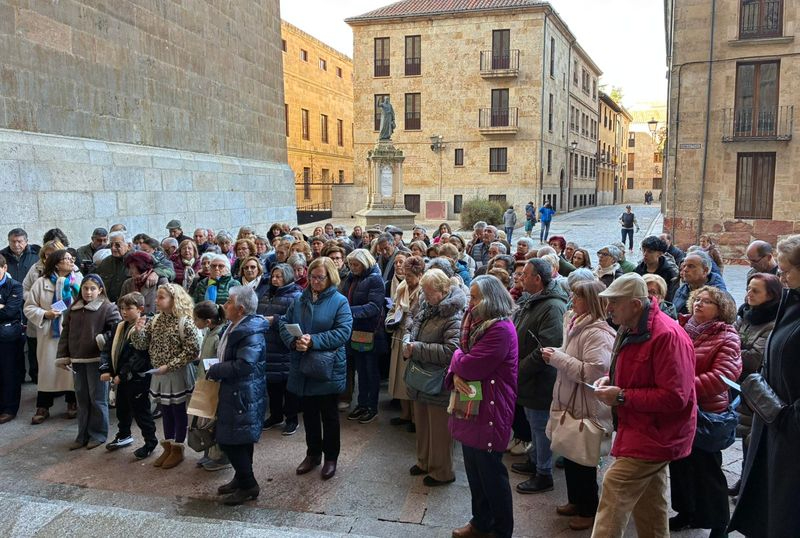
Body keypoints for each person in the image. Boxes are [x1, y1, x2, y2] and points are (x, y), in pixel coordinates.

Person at [590, 273, 696, 537]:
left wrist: (622, 396)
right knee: (650, 504)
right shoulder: (631, 325)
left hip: (656, 432)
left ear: (636, 304)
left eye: (614, 302)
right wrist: (611, 380)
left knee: (615, 484)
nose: (608, 308)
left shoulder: (666, 335)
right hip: (643, 427)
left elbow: (675, 397)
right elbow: (641, 374)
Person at [730, 235, 800, 537]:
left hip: (789, 435)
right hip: (772, 425)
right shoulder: (791, 301)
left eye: (785, 270)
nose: (780, 277)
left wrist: (786, 418)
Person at [447, 275, 518, 538]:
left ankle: (500, 530)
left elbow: (469, 364)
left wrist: (457, 361)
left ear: (490, 299)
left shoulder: (500, 329)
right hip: (472, 405)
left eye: (475, 297)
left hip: (491, 409)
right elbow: (462, 359)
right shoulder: (476, 323)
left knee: (491, 475)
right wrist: (456, 370)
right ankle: (480, 522)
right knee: (475, 473)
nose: (470, 303)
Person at [541, 281, 615, 531]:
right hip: (570, 399)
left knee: (583, 459)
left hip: (586, 403)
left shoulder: (598, 333)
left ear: (592, 301)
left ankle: (588, 509)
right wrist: (557, 353)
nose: (573, 300)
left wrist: (557, 358)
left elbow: (593, 372)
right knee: (571, 454)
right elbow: (571, 354)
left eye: (579, 297)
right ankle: (575, 500)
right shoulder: (575, 322)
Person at [670, 287, 741, 537]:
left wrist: (682, 388)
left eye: (708, 301)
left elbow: (724, 375)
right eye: (697, 299)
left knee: (707, 471)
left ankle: (719, 524)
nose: (699, 304)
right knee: (680, 465)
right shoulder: (681, 327)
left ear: (721, 309)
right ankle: (686, 512)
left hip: (706, 411)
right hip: (679, 407)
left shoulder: (727, 336)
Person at [280, 257, 353, 480]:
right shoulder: (300, 299)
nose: (315, 281)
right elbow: (284, 323)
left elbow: (343, 332)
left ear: (330, 277)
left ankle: (331, 457)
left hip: (327, 367)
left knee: (329, 415)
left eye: (320, 277)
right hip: (303, 365)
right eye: (312, 277)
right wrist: (294, 341)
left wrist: (314, 341)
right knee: (309, 414)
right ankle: (313, 454)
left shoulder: (339, 301)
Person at [205, 287, 268, 506]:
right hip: (235, 391)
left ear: (240, 309)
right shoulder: (235, 325)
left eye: (229, 302)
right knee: (239, 439)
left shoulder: (249, 331)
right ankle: (241, 478)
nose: (224, 305)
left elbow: (245, 365)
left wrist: (216, 370)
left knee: (231, 441)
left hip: (242, 393)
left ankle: (249, 485)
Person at [404, 268, 465, 487]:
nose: (425, 297)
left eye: (429, 293)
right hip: (422, 376)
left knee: (439, 429)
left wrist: (417, 348)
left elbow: (452, 351)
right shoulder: (427, 306)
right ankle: (424, 461)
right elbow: (412, 325)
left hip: (439, 380)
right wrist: (407, 339)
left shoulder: (453, 314)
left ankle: (442, 471)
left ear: (444, 290)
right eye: (424, 292)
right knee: (422, 424)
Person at [512, 258, 568, 494]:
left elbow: (548, 345)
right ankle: (535, 460)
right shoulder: (534, 299)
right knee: (533, 422)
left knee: (540, 425)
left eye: (525, 275)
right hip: (528, 376)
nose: (520, 278)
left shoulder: (552, 306)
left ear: (537, 279)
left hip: (540, 377)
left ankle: (543, 473)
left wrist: (520, 368)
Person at [131, 284, 201, 470]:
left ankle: (178, 447)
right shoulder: (156, 320)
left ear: (174, 300)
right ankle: (168, 445)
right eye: (157, 297)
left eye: (161, 297)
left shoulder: (185, 321)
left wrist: (169, 366)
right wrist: (138, 331)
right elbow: (142, 345)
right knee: (166, 409)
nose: (156, 300)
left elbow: (192, 351)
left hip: (176, 373)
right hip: (159, 373)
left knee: (178, 410)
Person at [728, 273, 781, 498]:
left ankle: (750, 486)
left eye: (755, 290)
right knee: (746, 438)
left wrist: (729, 352)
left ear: (771, 295)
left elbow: (754, 359)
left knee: (754, 440)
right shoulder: (746, 313)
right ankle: (745, 480)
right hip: (739, 385)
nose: (749, 293)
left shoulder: (772, 322)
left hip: (757, 389)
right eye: (748, 288)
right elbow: (730, 340)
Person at [56, 274, 121, 450]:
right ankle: (82, 435)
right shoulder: (73, 309)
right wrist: (63, 355)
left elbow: (117, 331)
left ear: (100, 290)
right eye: (85, 288)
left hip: (97, 360)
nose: (88, 292)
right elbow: (65, 334)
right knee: (82, 399)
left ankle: (98, 435)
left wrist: (101, 340)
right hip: (77, 360)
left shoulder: (108, 308)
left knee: (97, 399)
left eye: (93, 288)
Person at [24, 249, 82, 424]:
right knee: (48, 369)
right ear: (57, 263)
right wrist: (45, 314)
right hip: (49, 332)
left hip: (72, 330)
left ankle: (72, 402)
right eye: (67, 259)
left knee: (70, 367)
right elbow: (29, 307)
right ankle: (43, 406)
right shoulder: (41, 283)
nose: (71, 261)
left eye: (72, 259)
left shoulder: (77, 281)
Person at [100, 292, 158, 458]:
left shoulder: (145, 327)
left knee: (141, 412)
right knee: (122, 408)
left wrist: (123, 374)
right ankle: (124, 435)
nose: (124, 312)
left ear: (140, 309)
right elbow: (107, 349)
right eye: (122, 308)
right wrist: (106, 369)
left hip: (138, 377)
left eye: (129, 308)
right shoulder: (118, 326)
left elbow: (140, 355)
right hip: (121, 377)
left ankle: (150, 441)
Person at [257, 264, 302, 436]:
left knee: (287, 386)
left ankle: (291, 419)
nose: (275, 279)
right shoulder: (266, 293)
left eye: (279, 277)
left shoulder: (296, 296)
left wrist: (274, 320)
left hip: (284, 346)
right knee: (272, 384)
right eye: (273, 276)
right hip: (267, 345)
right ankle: (276, 416)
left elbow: (295, 319)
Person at [341, 249, 384, 422]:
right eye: (350, 264)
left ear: (365, 263)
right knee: (361, 371)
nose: (352, 267)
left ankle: (372, 407)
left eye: (356, 264)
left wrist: (348, 312)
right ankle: (362, 404)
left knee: (371, 371)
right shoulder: (352, 278)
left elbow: (374, 307)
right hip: (355, 331)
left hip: (369, 332)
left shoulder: (375, 279)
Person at [385, 256, 424, 431]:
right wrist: (390, 320)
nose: (406, 278)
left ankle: (416, 418)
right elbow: (394, 308)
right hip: (398, 333)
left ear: (420, 275)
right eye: (405, 275)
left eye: (410, 275)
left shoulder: (423, 291)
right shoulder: (402, 288)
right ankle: (405, 414)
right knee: (399, 377)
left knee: (411, 379)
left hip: (412, 337)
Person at [192, 300, 230, 471]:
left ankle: (220, 456)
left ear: (207, 321)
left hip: (213, 384)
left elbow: (220, 360)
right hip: (204, 382)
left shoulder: (219, 335)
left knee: (213, 422)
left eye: (196, 319)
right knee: (203, 420)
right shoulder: (209, 332)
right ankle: (208, 452)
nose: (194, 322)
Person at [0, 253, 25, 423]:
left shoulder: (14, 286)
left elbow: (9, 312)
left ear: (4, 268)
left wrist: (4, 308)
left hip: (8, 336)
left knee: (8, 373)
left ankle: (9, 408)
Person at [673, 251, 727, 315]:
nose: (685, 269)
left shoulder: (718, 296)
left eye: (691, 266)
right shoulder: (681, 290)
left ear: (705, 271)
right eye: (684, 266)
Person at [634, 235, 680, 302]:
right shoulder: (638, 270)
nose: (645, 254)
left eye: (650, 251)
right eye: (644, 250)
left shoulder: (670, 273)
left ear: (660, 254)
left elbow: (671, 297)